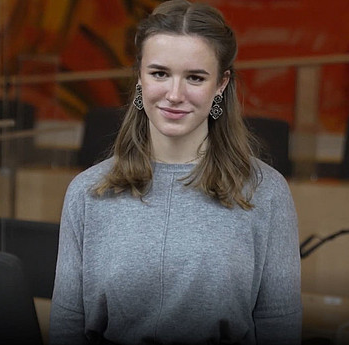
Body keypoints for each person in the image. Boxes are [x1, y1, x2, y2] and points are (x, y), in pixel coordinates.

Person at [49, 0, 302, 344]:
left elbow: (280, 327)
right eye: (159, 73)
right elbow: (66, 327)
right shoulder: (87, 192)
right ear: (139, 76)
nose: (174, 94)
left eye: (195, 77)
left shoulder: (266, 192)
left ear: (221, 83)